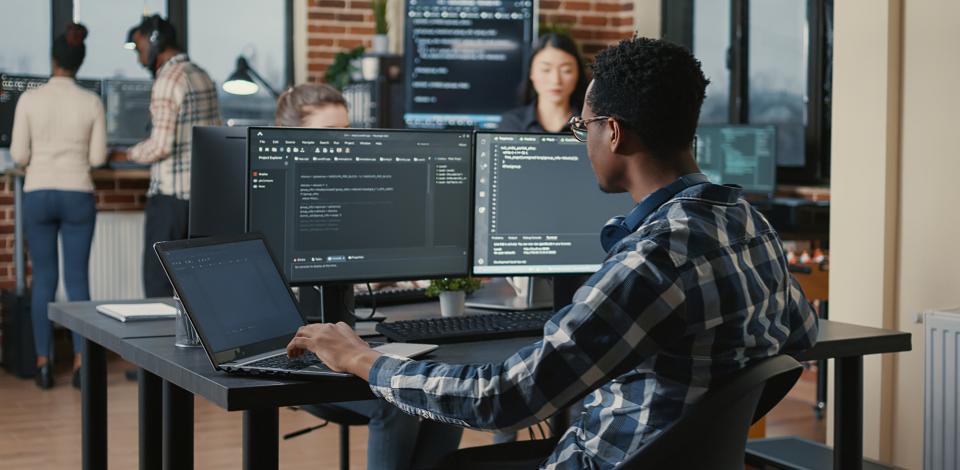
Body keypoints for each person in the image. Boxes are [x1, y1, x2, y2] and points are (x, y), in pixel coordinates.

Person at [285, 37, 820, 469]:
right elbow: (800, 337)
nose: (580, 142)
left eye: (580, 127)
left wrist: (362, 359)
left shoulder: (650, 261)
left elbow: (500, 400)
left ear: (612, 132)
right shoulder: (749, 223)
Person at [275, 83, 463, 470]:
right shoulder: (278, 202)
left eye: (347, 134)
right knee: (397, 400)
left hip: (354, 343)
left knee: (439, 386)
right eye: (330, 137)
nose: (344, 147)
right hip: (303, 356)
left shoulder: (361, 192)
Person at [10, 23, 106, 390]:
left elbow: (19, 154)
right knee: (77, 281)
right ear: (79, 63)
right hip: (77, 191)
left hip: (38, 192)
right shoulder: (91, 101)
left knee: (44, 282)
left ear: (53, 60)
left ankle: (44, 363)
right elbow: (97, 158)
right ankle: (82, 363)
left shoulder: (30, 100)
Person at [127, 15, 221, 297]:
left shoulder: (167, 80)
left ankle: (157, 343)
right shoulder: (201, 74)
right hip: (200, 199)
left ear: (156, 42)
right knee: (197, 286)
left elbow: (160, 146)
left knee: (158, 284)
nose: (140, 57)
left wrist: (129, 152)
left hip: (169, 199)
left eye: (140, 48)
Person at [497, 32, 588, 133]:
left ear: (578, 73)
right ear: (531, 73)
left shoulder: (589, 124)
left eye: (566, 70)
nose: (556, 80)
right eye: (546, 69)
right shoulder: (512, 124)